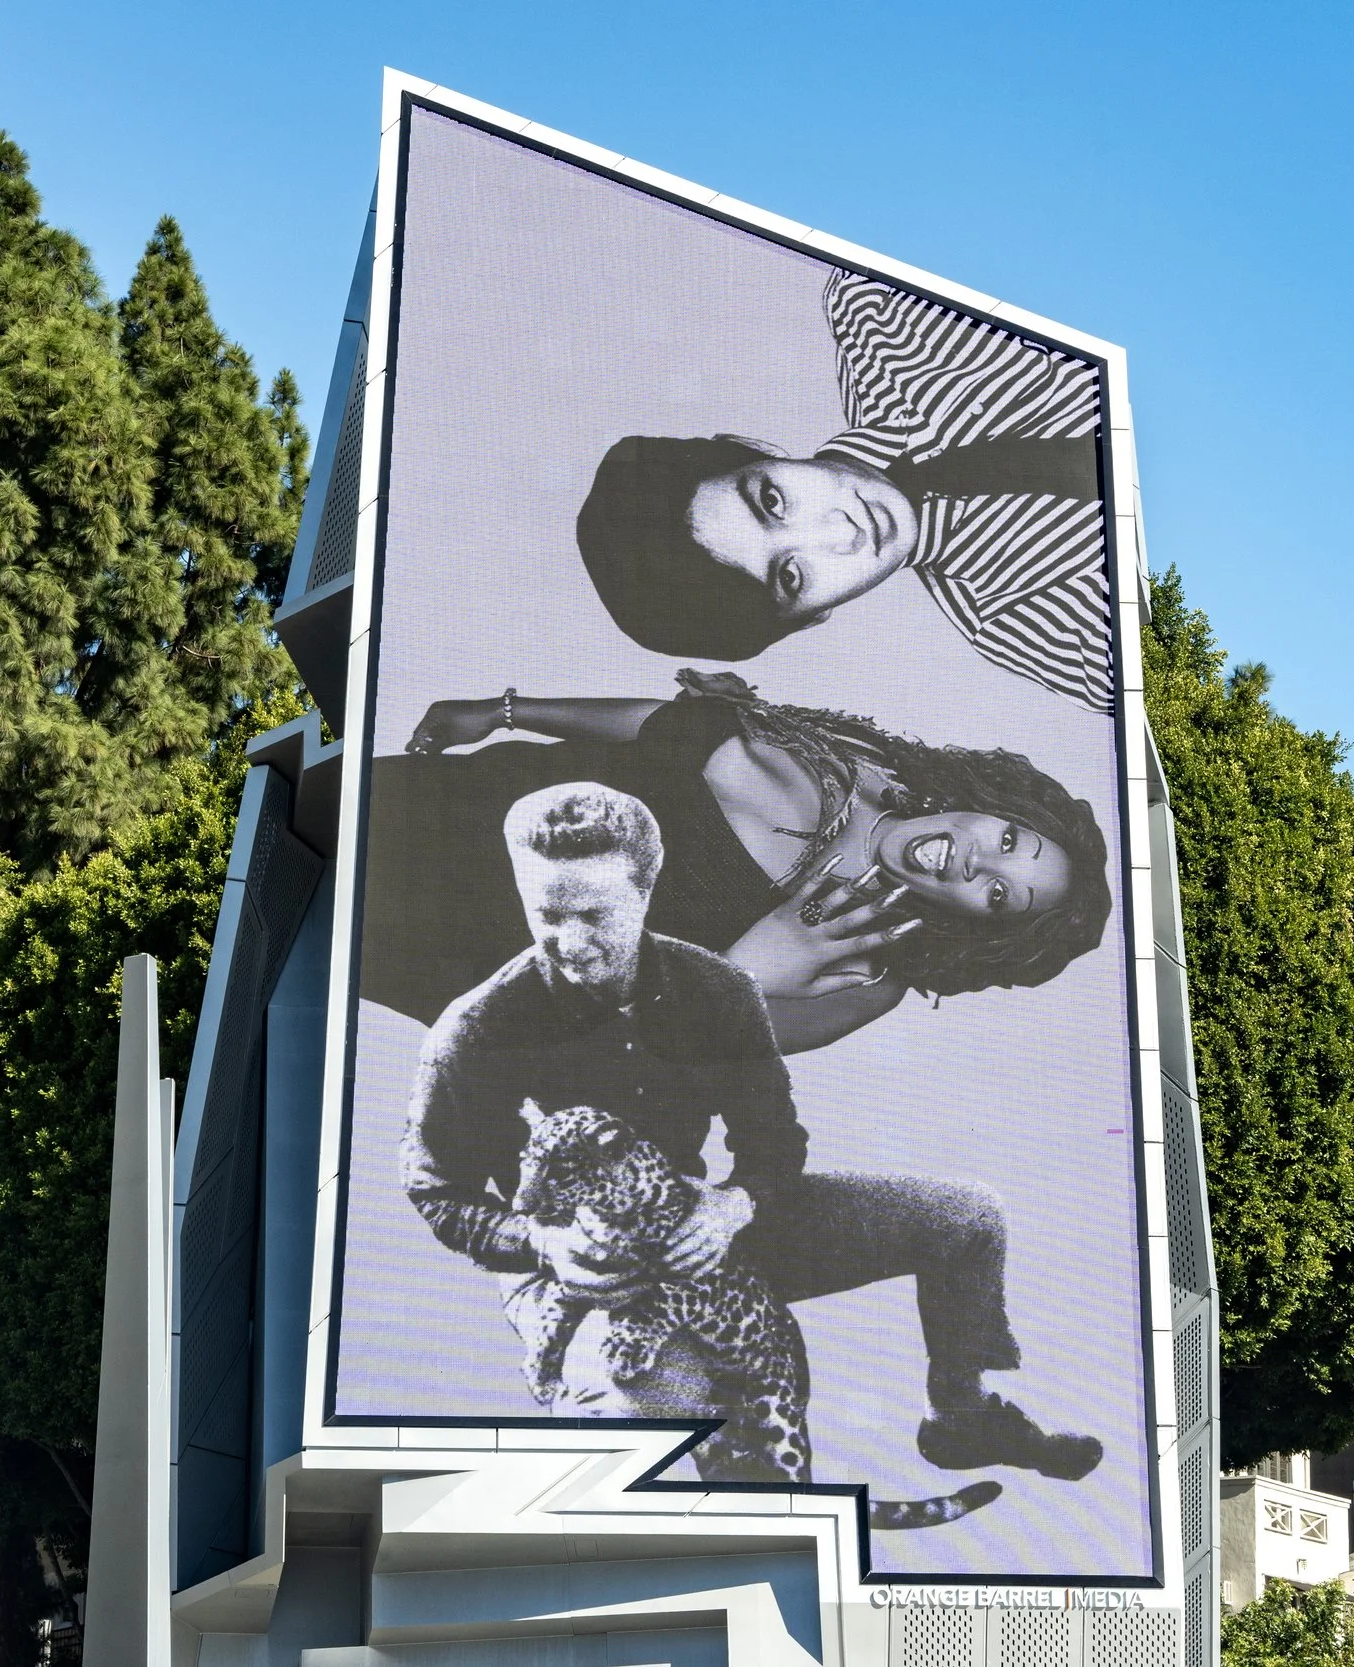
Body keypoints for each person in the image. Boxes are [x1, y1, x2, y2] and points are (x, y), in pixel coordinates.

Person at [400, 783, 1102, 1480]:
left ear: (645, 890)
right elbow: (436, 1192)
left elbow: (774, 1145)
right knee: (654, 1407)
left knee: (969, 1218)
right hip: (577, 1276)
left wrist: (733, 1205)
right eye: (548, 915)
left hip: (704, 1227)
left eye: (596, 915)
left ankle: (961, 1414)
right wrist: (542, 1242)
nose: (572, 943)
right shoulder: (474, 1029)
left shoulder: (717, 986)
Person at [373, 670, 1113, 1051]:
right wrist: (507, 710)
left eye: (999, 895)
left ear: (979, 926)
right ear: (996, 806)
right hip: (454, 800)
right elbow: (663, 727)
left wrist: (748, 967)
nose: (977, 863)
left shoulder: (866, 975)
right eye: (1010, 841)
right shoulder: (868, 757)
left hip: (467, 935)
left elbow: (649, 1051)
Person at [573, 272, 1117, 713]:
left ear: (754, 447)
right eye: (792, 576)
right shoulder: (1029, 623)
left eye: (772, 502)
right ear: (814, 616)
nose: (840, 533)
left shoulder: (877, 310)